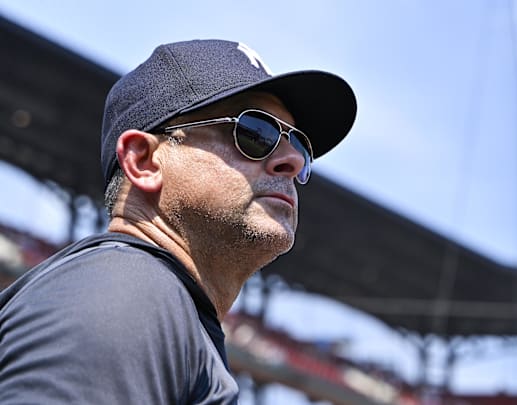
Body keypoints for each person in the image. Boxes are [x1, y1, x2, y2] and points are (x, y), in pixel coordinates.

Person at [0, 39, 356, 403]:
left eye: (298, 145)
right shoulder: (125, 296)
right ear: (144, 161)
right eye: (255, 132)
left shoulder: (164, 309)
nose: (291, 162)